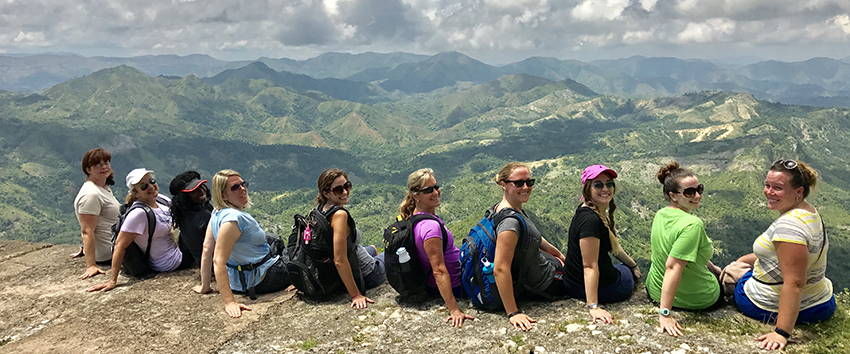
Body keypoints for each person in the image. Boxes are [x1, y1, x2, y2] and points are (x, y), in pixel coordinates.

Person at [733, 160, 835, 351]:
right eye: (767, 185)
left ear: (799, 191)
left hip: (778, 305)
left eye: (778, 188)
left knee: (733, 278)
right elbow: (786, 259)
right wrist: (743, 260)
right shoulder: (809, 212)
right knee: (739, 265)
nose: (769, 192)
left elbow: (795, 282)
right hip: (822, 300)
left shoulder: (788, 227)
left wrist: (781, 332)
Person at [193, 169, 292, 318]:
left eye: (242, 184)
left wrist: (205, 286)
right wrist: (229, 302)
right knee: (296, 247)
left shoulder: (216, 213)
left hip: (238, 282)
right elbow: (218, 261)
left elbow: (207, 248)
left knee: (276, 241)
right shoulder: (233, 220)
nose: (243, 189)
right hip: (265, 277)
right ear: (223, 195)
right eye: (235, 187)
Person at [645, 161, 722, 337]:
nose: (697, 195)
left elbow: (683, 252)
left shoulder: (661, 214)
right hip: (695, 297)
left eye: (699, 189)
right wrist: (665, 313)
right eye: (689, 192)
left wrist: (715, 269)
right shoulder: (693, 225)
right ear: (673, 196)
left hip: (654, 289)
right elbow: (673, 267)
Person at [491, 162, 568, 331]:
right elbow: (500, 268)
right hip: (544, 284)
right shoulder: (510, 223)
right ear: (503, 185)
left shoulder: (503, 209)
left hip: (543, 268)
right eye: (518, 183)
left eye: (529, 182)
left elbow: (536, 238)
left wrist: (560, 256)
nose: (525, 187)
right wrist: (513, 313)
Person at [87, 169, 192, 292]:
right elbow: (119, 245)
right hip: (169, 261)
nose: (151, 187)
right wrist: (112, 280)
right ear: (135, 193)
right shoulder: (138, 214)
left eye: (152, 181)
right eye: (144, 186)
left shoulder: (160, 200)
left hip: (177, 248)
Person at [563, 165, 640, 324]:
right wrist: (593, 307)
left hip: (573, 282)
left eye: (609, 184)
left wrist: (633, 265)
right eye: (598, 184)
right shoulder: (591, 221)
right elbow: (589, 266)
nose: (605, 188)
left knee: (625, 267)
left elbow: (614, 248)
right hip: (597, 287)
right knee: (626, 273)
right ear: (587, 189)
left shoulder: (588, 210)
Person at [398, 168, 473, 327]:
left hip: (447, 280)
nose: (436, 192)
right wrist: (454, 309)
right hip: (458, 284)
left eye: (436, 186)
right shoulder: (430, 227)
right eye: (428, 190)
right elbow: (438, 269)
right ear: (415, 195)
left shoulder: (415, 218)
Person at [315, 168, 386, 309]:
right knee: (397, 251)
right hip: (369, 273)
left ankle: (374, 255)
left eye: (347, 186)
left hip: (353, 259)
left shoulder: (319, 210)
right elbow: (339, 260)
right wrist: (356, 294)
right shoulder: (340, 215)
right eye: (338, 190)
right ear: (326, 193)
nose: (345, 192)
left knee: (372, 248)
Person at [72, 148, 121, 279]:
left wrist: (82, 248)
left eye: (106, 162)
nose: (104, 167)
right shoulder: (91, 194)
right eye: (98, 164)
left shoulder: (103, 187)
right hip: (109, 253)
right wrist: (91, 266)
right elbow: (87, 230)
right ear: (88, 170)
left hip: (114, 246)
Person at [169, 170, 213, 266]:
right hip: (216, 265)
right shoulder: (204, 216)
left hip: (204, 264)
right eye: (194, 191)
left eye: (201, 186)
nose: (201, 191)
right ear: (184, 197)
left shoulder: (183, 217)